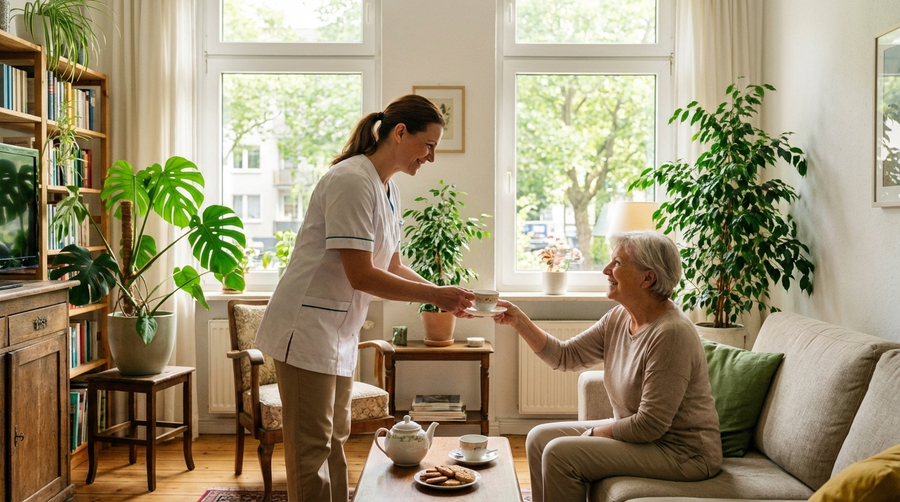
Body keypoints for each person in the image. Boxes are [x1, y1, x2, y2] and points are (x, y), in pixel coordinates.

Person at [254, 94, 475, 502]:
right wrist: (436, 294)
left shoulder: (388, 190)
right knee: (310, 452)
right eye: (428, 145)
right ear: (399, 132)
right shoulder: (351, 180)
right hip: (305, 329)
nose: (430, 157)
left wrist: (442, 297)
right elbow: (361, 275)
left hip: (337, 329)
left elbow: (390, 265)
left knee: (333, 439)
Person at [491, 230, 722, 502]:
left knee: (560, 454)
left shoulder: (671, 334)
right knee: (539, 438)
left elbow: (649, 425)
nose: (606, 270)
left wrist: (594, 434)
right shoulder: (619, 317)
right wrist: (519, 321)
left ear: (648, 278)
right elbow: (565, 356)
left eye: (617, 264)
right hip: (647, 439)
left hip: (681, 453)